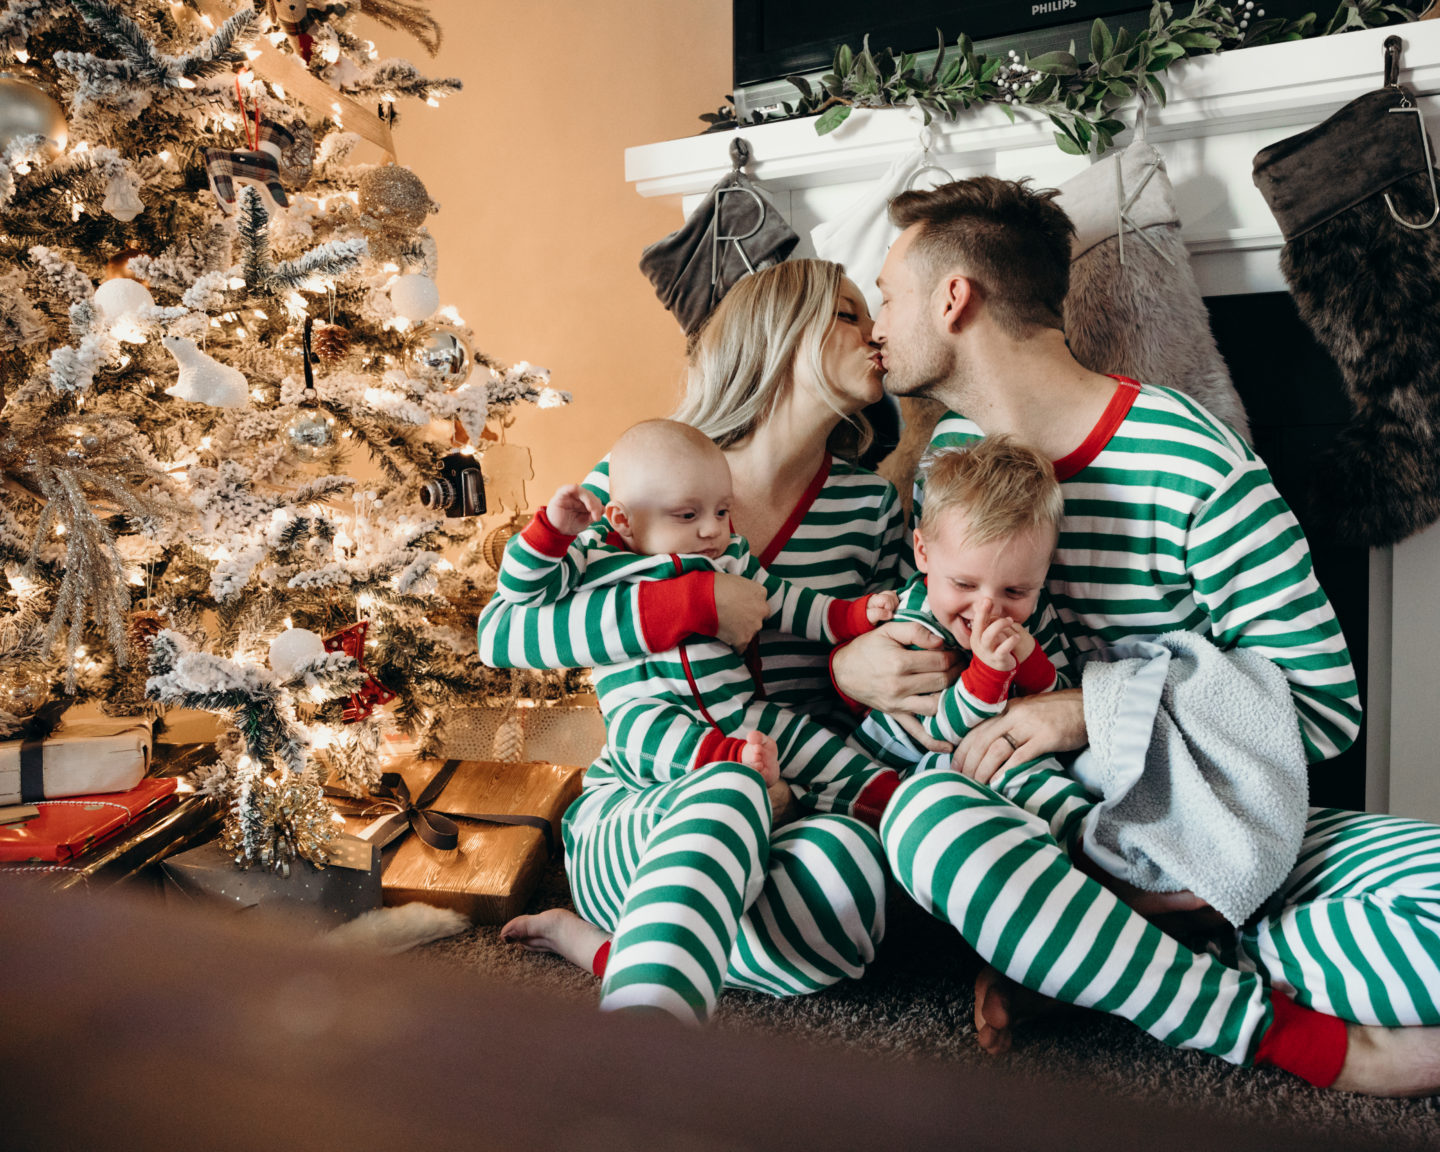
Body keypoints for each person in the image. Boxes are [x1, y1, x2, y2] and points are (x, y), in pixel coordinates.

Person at [867, 173, 1440, 1096]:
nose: (877, 323)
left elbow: (1327, 711)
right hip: (1031, 837)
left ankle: (1106, 961)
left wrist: (1086, 710)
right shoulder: (948, 464)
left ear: (952, 298)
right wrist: (865, 654)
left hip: (1210, 832)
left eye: (888, 294)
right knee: (927, 824)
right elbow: (933, 659)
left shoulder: (1194, 464)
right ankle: (1283, 1027)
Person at [480, 260, 957, 1024]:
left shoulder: (869, 503)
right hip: (648, 803)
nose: (875, 333)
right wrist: (694, 602)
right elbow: (504, 633)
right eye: (845, 314)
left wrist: (848, 667)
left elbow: (895, 638)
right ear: (776, 334)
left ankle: (616, 950)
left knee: (849, 878)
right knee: (729, 795)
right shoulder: (651, 472)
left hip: (794, 794)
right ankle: (648, 1011)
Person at [493, 417, 899, 813]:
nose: (712, 530)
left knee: (809, 741)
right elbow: (523, 591)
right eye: (688, 515)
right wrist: (552, 532)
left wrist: (850, 616)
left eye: (721, 512)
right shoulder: (596, 555)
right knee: (638, 736)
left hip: (736, 708)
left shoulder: (730, 558)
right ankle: (728, 764)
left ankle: (886, 797)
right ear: (623, 519)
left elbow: (785, 601)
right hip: (651, 716)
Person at [850, 436, 1076, 779]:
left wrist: (1031, 662)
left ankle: (1083, 829)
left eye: (1014, 591)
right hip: (893, 772)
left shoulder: (1034, 615)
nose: (987, 609)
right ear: (923, 553)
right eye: (964, 584)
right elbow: (937, 734)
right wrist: (989, 672)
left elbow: (1059, 700)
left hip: (993, 762)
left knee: (1038, 774)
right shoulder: (916, 622)